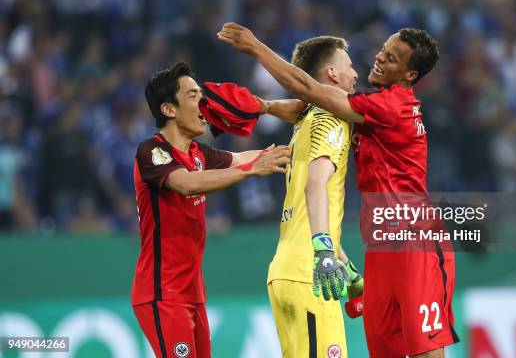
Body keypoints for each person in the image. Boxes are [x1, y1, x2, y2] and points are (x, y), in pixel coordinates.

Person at [218, 23, 459, 357]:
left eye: (391, 59)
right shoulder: (370, 104)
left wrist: (256, 47)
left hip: (415, 241)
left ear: (409, 75)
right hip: (381, 247)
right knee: (385, 349)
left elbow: (308, 89)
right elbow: (307, 104)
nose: (378, 60)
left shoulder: (390, 108)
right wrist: (264, 106)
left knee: (424, 347)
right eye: (383, 49)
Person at [131, 61, 289, 358]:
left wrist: (299, 150)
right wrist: (251, 171)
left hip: (192, 293)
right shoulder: (152, 151)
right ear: (169, 110)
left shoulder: (198, 152)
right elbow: (186, 184)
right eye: (193, 95)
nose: (203, 102)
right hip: (162, 293)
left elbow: (245, 157)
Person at [258, 36, 364, 358]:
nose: (356, 74)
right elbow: (315, 185)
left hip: (288, 273)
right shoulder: (332, 118)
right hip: (312, 276)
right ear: (332, 73)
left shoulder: (305, 122)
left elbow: (315, 213)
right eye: (349, 66)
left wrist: (354, 279)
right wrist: (323, 254)